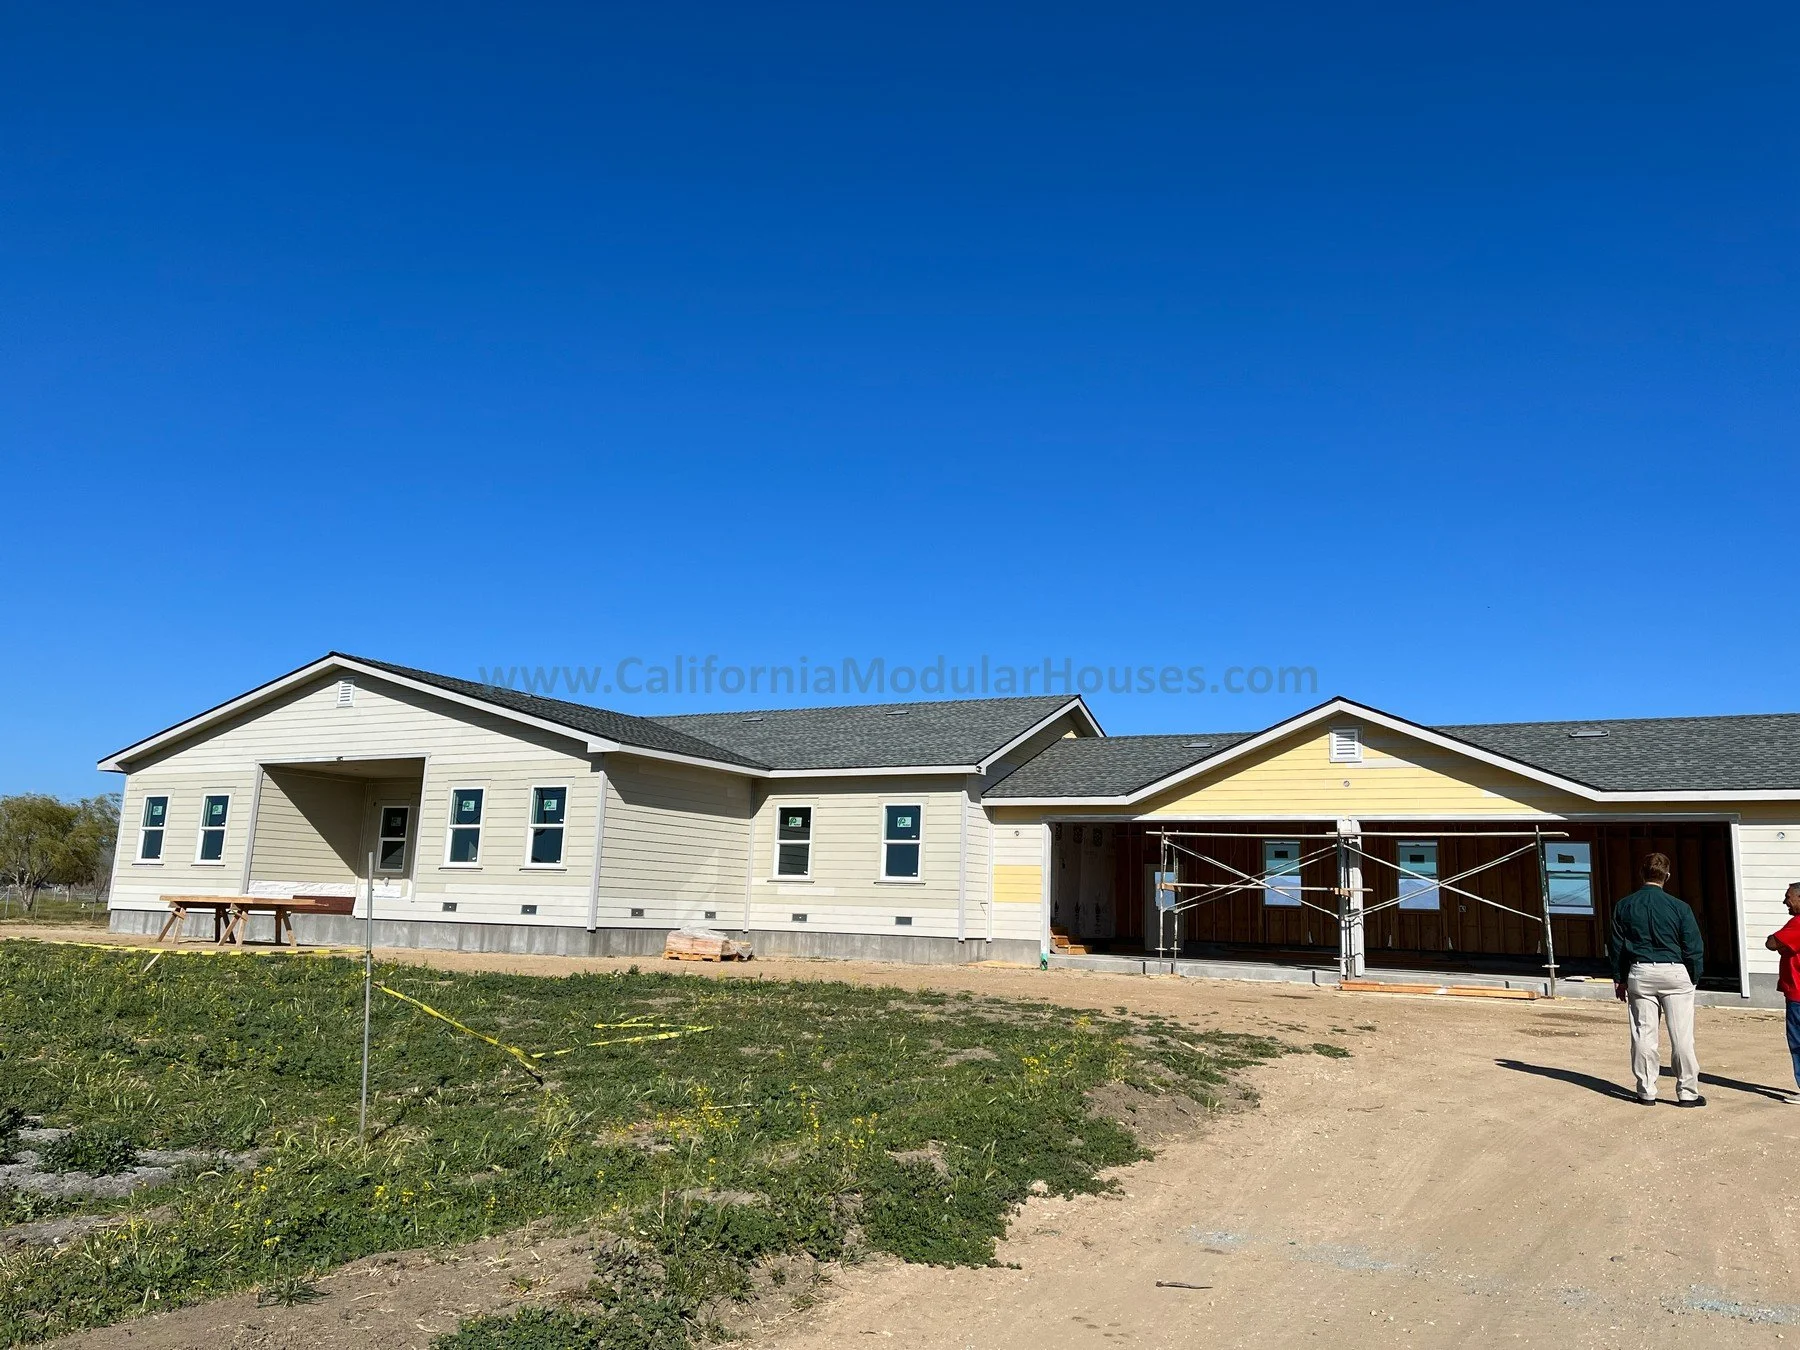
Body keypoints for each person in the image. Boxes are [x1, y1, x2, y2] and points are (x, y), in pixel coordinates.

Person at [1611, 852, 1705, 1107]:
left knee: (1643, 1034)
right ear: (1667, 876)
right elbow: (1693, 946)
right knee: (1682, 1036)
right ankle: (1687, 1091)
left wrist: (1619, 979)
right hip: (1675, 971)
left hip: (1641, 971)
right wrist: (1694, 975)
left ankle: (1646, 1090)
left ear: (1642, 874)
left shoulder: (1624, 905)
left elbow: (1617, 947)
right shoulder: (1679, 907)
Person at [1762, 883, 1800, 1103]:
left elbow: (1772, 942)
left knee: (1797, 1042)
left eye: (1788, 897)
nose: (1785, 901)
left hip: (1797, 994)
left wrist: (1779, 943)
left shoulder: (1796, 923)